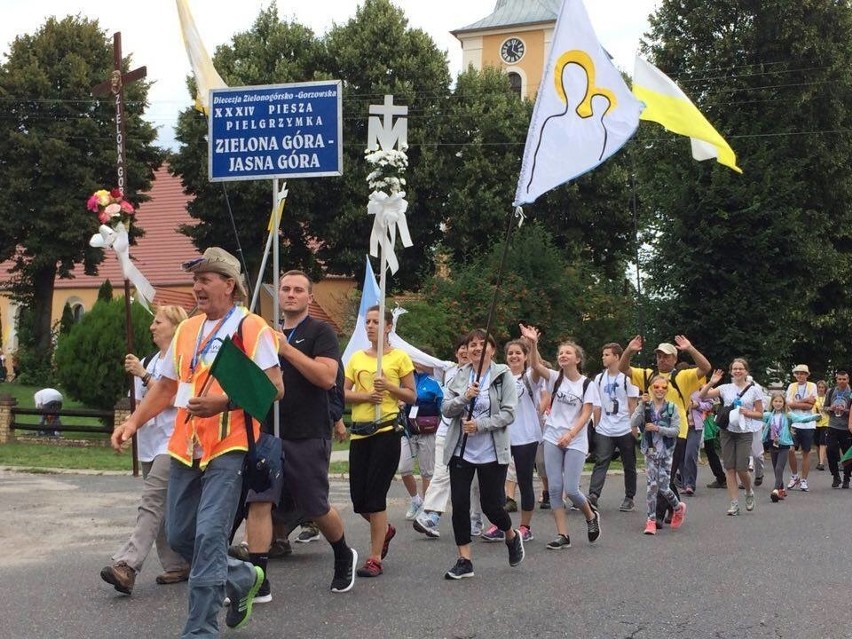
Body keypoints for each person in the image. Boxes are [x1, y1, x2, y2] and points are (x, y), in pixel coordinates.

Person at [111, 247, 284, 637]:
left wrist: (224, 402)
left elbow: (276, 388)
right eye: (196, 280)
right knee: (180, 535)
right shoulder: (187, 329)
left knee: (208, 535)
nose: (197, 287)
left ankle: (200, 630)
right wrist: (134, 423)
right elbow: (169, 385)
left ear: (230, 285)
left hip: (230, 443)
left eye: (206, 279)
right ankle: (241, 576)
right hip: (184, 445)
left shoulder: (252, 327)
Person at [100, 304, 190, 595]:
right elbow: (141, 403)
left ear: (175, 326)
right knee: (163, 507)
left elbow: (171, 395)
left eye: (158, 322)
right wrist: (129, 427)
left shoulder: (183, 357)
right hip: (151, 444)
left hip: (174, 441)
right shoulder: (150, 359)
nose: (152, 327)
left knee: (151, 501)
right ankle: (177, 564)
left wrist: (142, 375)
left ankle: (127, 565)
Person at [441, 329, 523, 579]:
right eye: (472, 344)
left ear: (492, 350)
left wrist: (480, 425)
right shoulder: (459, 376)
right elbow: (446, 409)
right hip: (461, 451)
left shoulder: (503, 376)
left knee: (492, 506)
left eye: (482, 344)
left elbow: (509, 413)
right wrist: (465, 398)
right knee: (460, 504)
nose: (476, 348)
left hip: (491, 452)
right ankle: (464, 560)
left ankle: (511, 535)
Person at [344, 305, 416, 578]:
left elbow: (411, 396)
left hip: (386, 430)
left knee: (376, 497)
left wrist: (389, 387)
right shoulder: (356, 358)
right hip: (360, 431)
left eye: (377, 322)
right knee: (359, 501)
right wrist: (365, 397)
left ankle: (374, 557)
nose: (371, 326)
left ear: (388, 327)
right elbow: (342, 393)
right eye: (369, 322)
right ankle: (384, 530)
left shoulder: (399, 358)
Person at [520, 324, 601, 550]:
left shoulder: (587, 384)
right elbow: (535, 364)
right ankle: (562, 535)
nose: (562, 355)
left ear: (577, 359)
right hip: (552, 436)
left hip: (575, 439)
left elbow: (586, 413)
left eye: (568, 352)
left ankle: (590, 516)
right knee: (555, 488)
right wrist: (533, 343)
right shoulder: (555, 378)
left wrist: (571, 434)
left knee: (572, 489)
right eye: (560, 353)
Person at [619, 335, 711, 527]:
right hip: (652, 435)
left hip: (676, 433)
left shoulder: (682, 376)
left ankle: (657, 516)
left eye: (666, 356)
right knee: (660, 476)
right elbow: (623, 368)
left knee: (664, 475)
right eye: (659, 356)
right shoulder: (647, 375)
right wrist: (629, 350)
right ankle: (675, 507)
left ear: (675, 359)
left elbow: (705, 368)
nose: (662, 359)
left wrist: (690, 348)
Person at [414, 338, 484, 539]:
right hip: (446, 432)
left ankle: (475, 518)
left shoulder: (485, 374)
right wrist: (388, 339)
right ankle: (431, 516)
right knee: (440, 474)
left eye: (469, 347)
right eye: (462, 347)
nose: (465, 351)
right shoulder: (446, 369)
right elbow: (418, 357)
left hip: (473, 434)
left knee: (475, 482)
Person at [481, 339, 541, 542]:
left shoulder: (529, 377)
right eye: (510, 353)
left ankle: (525, 527)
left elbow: (537, 366)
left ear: (525, 356)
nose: (514, 356)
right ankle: (501, 524)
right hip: (502, 436)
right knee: (498, 483)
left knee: (524, 482)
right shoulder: (499, 378)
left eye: (518, 353)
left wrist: (533, 344)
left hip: (526, 436)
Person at [699, 359, 764, 516]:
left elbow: (760, 414)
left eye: (740, 368)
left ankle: (749, 491)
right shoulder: (725, 388)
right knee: (729, 468)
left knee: (742, 468)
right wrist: (711, 382)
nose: (737, 371)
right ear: (731, 372)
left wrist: (746, 412)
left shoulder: (754, 390)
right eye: (734, 368)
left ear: (746, 371)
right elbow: (702, 396)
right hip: (727, 430)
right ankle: (734, 503)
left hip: (745, 431)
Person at [631, 376, 687, 535]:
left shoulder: (672, 408)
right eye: (656, 387)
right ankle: (651, 521)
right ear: (651, 389)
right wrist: (640, 406)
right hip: (650, 452)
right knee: (651, 486)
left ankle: (678, 507)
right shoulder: (645, 407)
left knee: (664, 487)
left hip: (666, 452)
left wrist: (657, 429)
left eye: (663, 387)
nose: (660, 390)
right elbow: (633, 422)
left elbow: (676, 430)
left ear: (667, 389)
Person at [588, 342, 639, 511]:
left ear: (617, 356)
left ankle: (629, 496)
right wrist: (596, 423)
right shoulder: (599, 378)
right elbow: (597, 403)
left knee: (629, 463)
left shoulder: (628, 378)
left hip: (624, 426)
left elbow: (632, 403)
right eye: (603, 355)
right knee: (601, 460)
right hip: (605, 427)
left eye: (607, 354)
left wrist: (634, 426)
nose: (603, 357)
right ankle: (593, 495)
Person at [399, 361, 443, 521]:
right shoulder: (405, 379)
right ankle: (416, 500)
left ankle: (427, 508)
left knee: (426, 472)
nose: (416, 366)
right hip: (407, 431)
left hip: (427, 431)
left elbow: (442, 407)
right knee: (404, 468)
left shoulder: (435, 382)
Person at [760, 393, 819, 502]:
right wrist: (742, 411)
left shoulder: (788, 415)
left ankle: (775, 490)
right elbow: (756, 416)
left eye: (780, 402)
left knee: (779, 468)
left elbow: (801, 419)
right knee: (775, 469)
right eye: (775, 401)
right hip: (773, 443)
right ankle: (781, 489)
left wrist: (815, 417)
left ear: (784, 404)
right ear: (772, 403)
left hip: (784, 444)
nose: (778, 404)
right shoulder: (769, 415)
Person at [785, 364, 818, 491]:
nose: (800, 375)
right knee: (790, 449)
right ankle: (794, 476)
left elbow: (810, 406)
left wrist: (796, 403)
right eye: (797, 373)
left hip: (808, 423)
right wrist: (804, 401)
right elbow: (789, 404)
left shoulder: (812, 386)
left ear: (807, 375)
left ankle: (804, 480)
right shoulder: (791, 386)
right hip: (794, 422)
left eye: (803, 373)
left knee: (806, 451)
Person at [823, 371, 852, 488]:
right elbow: (824, 407)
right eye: (839, 379)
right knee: (830, 451)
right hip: (832, 426)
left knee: (848, 454)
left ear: (848, 380)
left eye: (844, 379)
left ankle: (846, 478)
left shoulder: (850, 393)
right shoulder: (831, 392)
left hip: (846, 428)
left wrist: (845, 410)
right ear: (836, 380)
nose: (841, 381)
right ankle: (835, 476)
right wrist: (831, 408)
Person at [814, 379, 830, 471]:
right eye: (819, 387)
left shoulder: (827, 397)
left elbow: (830, 408)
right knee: (817, 443)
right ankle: (820, 459)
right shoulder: (814, 398)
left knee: (822, 442)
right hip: (816, 422)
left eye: (822, 387)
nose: (820, 389)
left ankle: (821, 463)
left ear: (825, 388)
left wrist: (826, 409)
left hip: (826, 422)